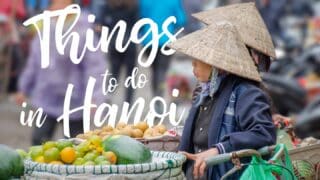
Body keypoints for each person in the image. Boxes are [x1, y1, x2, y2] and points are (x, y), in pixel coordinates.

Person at [169, 22, 276, 179]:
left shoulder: (246, 94)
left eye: (197, 61)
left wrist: (218, 150)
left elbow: (264, 132)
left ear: (215, 64)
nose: (193, 66)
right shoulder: (204, 94)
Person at [15, 0, 107, 145]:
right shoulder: (45, 29)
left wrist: (94, 97)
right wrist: (23, 88)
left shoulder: (83, 31)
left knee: (75, 145)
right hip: (47, 96)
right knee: (39, 140)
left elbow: (94, 67)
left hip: (75, 100)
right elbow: (34, 61)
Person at [139, 0, 186, 99]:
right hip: (166, 39)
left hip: (149, 40)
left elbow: (141, 18)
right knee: (162, 70)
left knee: (154, 70)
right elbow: (181, 19)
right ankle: (158, 97)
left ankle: (156, 96)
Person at [96, 0, 138, 104]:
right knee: (130, 76)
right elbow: (137, 24)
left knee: (114, 73)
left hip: (114, 43)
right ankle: (128, 102)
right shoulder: (133, 5)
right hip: (129, 44)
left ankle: (108, 97)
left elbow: (103, 25)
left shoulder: (109, 5)